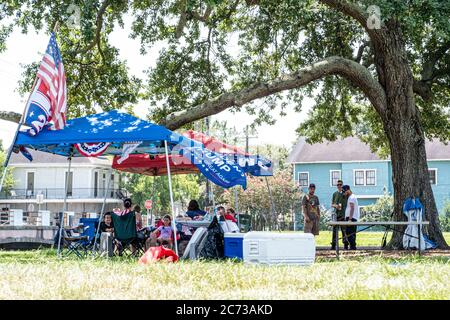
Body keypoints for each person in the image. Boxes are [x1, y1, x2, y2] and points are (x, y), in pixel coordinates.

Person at [330, 180, 349, 250]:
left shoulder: (345, 194)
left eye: (340, 185)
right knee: (334, 231)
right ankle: (333, 245)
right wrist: (336, 206)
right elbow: (332, 204)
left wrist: (345, 192)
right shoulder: (334, 194)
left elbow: (349, 193)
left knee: (344, 231)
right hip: (336, 215)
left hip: (343, 215)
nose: (339, 186)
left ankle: (346, 245)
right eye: (338, 185)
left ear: (342, 185)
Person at [342, 185, 360, 250]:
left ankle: (353, 247)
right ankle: (353, 246)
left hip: (351, 218)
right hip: (351, 217)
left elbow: (352, 208)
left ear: (348, 190)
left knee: (349, 233)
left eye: (344, 191)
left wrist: (349, 219)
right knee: (350, 233)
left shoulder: (351, 197)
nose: (344, 193)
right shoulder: (350, 197)